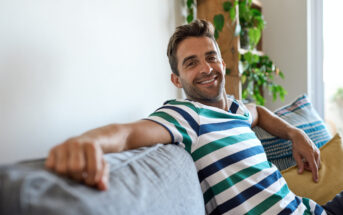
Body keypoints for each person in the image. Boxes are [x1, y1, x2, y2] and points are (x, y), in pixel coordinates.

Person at [45, 20, 341, 214]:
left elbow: (260, 113)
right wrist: (86, 143)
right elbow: (127, 133)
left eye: (211, 57)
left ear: (223, 63)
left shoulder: (237, 110)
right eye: (191, 63)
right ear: (177, 80)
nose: (206, 68)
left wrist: (295, 135)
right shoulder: (188, 116)